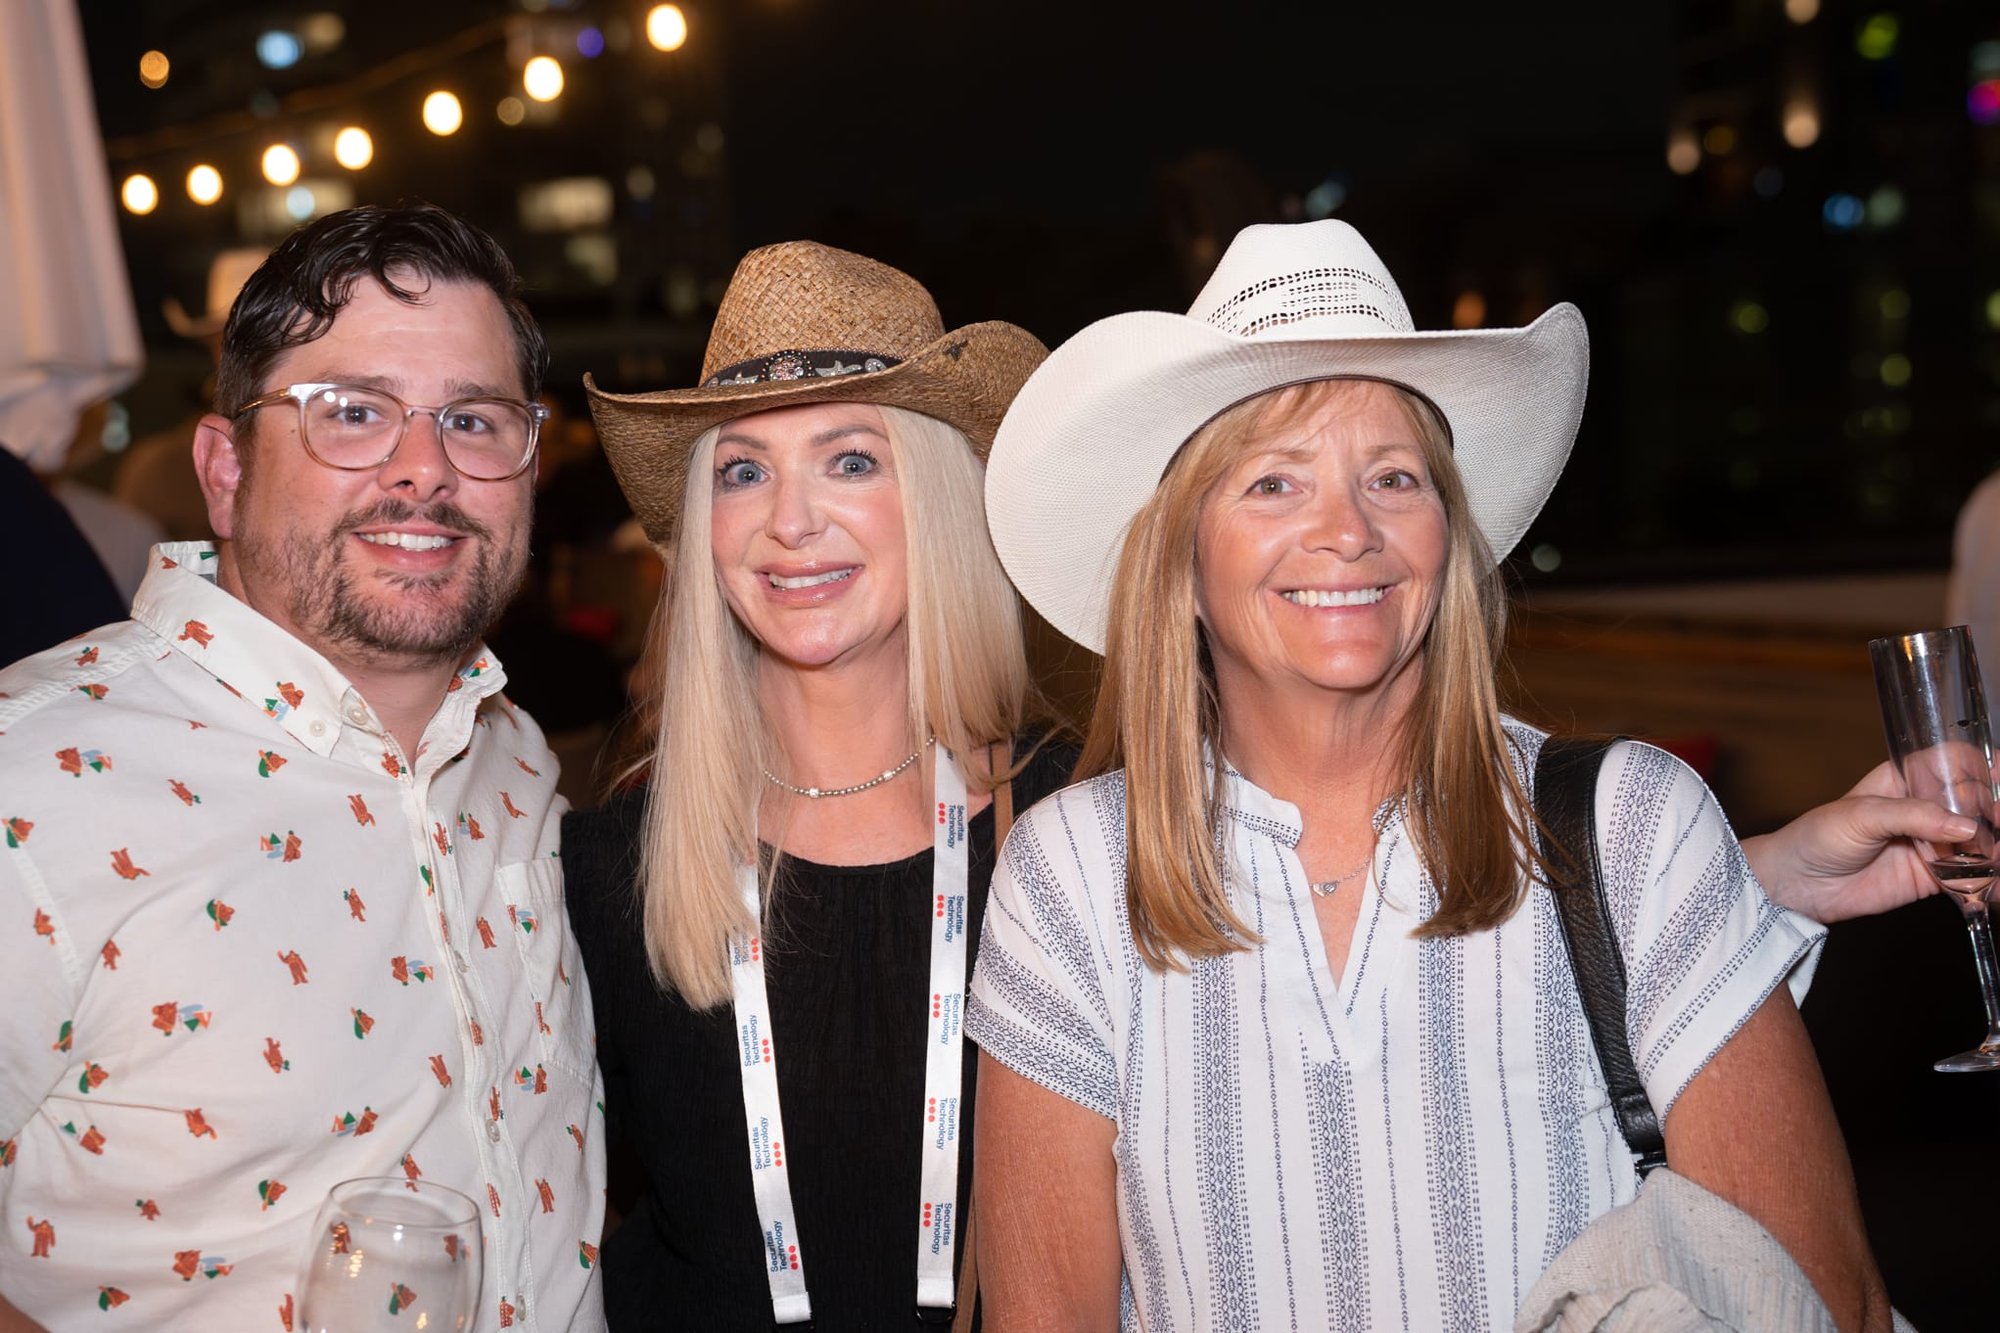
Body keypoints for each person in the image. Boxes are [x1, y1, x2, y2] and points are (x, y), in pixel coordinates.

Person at [968, 220, 1893, 1331]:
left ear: (1446, 538)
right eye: (1272, 483)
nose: (1346, 530)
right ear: (1181, 559)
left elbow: (1818, 1300)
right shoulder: (1067, 876)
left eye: (1391, 477)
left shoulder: (1635, 827)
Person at [0, 204, 603, 1332]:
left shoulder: (514, 759)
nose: (423, 470)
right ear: (224, 469)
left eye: (472, 420)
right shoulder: (30, 786)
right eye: (352, 414)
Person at [567, 241, 1067, 1328]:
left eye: (848, 459)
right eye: (742, 470)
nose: (789, 521)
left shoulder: (1077, 838)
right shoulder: (608, 869)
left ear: (934, 496)